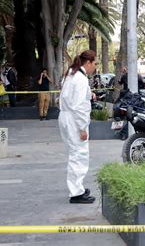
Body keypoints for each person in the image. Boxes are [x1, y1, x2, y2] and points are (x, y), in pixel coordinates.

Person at [58, 50, 98, 204]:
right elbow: (79, 106)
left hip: (66, 117)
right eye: (94, 64)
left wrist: (89, 94)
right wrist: (82, 128)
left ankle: (77, 186)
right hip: (74, 120)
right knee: (79, 155)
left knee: (75, 153)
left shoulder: (71, 74)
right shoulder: (80, 79)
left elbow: (71, 96)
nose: (95, 67)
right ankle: (76, 192)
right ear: (88, 63)